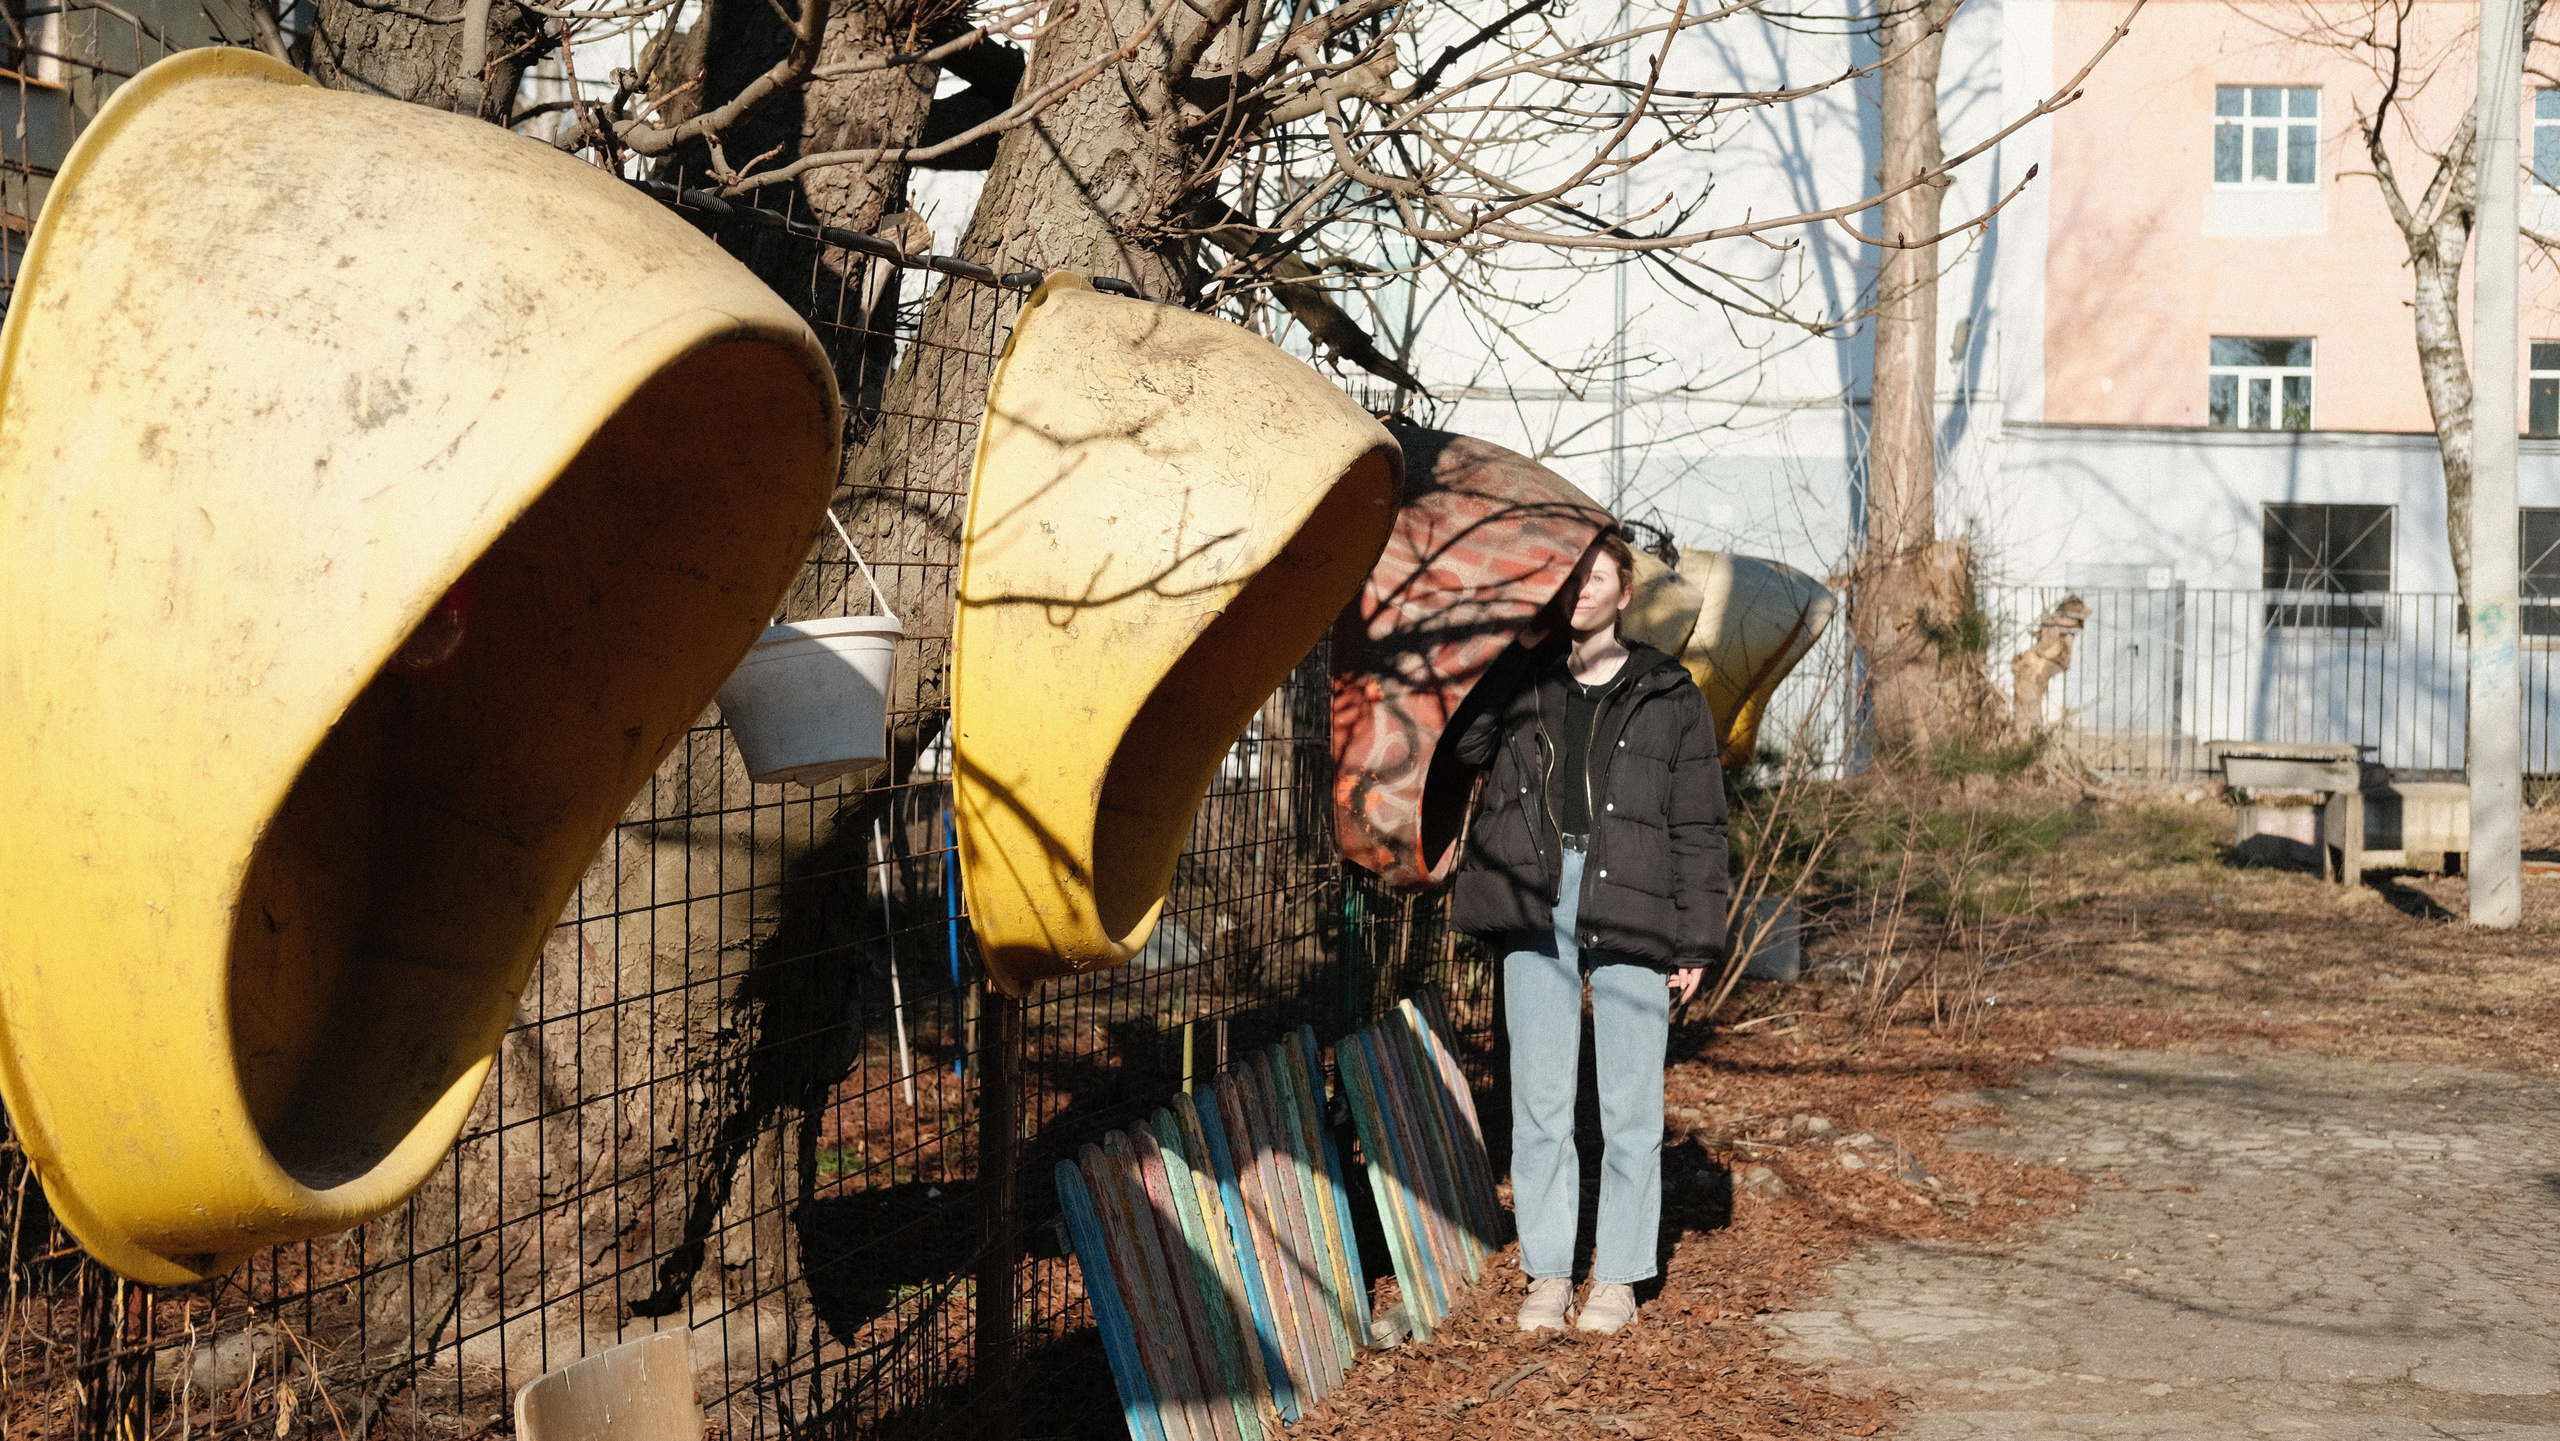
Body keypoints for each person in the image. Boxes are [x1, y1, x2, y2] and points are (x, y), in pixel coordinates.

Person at [1447, 527, 1730, 1335]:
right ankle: (1546, 1272)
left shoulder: (1669, 692)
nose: (1581, 590)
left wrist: (1697, 941)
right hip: (1536, 898)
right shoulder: (1526, 681)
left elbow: (1700, 823)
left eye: (1596, 576)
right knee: (1539, 1102)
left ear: (1624, 590)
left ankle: (1614, 1278)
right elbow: (1467, 742)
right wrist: (1514, 648)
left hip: (1636, 902)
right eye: (1569, 578)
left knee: (1630, 1107)